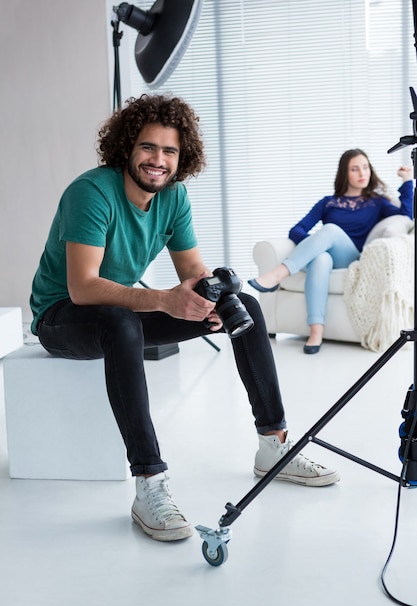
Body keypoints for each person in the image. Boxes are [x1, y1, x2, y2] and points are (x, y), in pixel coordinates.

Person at [30, 94, 339, 543]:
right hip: (61, 317)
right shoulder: (91, 193)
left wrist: (211, 299)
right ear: (127, 149)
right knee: (120, 322)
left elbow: (191, 274)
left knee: (244, 307)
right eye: (148, 148)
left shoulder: (174, 197)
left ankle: (273, 446)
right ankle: (149, 484)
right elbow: (83, 288)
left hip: (121, 312)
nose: (158, 160)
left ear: (182, 157)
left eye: (169, 151)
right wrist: (164, 301)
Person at [248, 149, 413, 354]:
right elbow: (297, 229)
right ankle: (316, 331)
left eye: (365, 167)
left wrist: (407, 181)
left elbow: (406, 217)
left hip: (352, 257)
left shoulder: (377, 202)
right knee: (321, 259)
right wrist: (315, 244)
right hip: (327, 257)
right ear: (345, 173)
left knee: (330, 230)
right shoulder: (328, 202)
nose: (362, 173)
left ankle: (279, 273)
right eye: (355, 169)